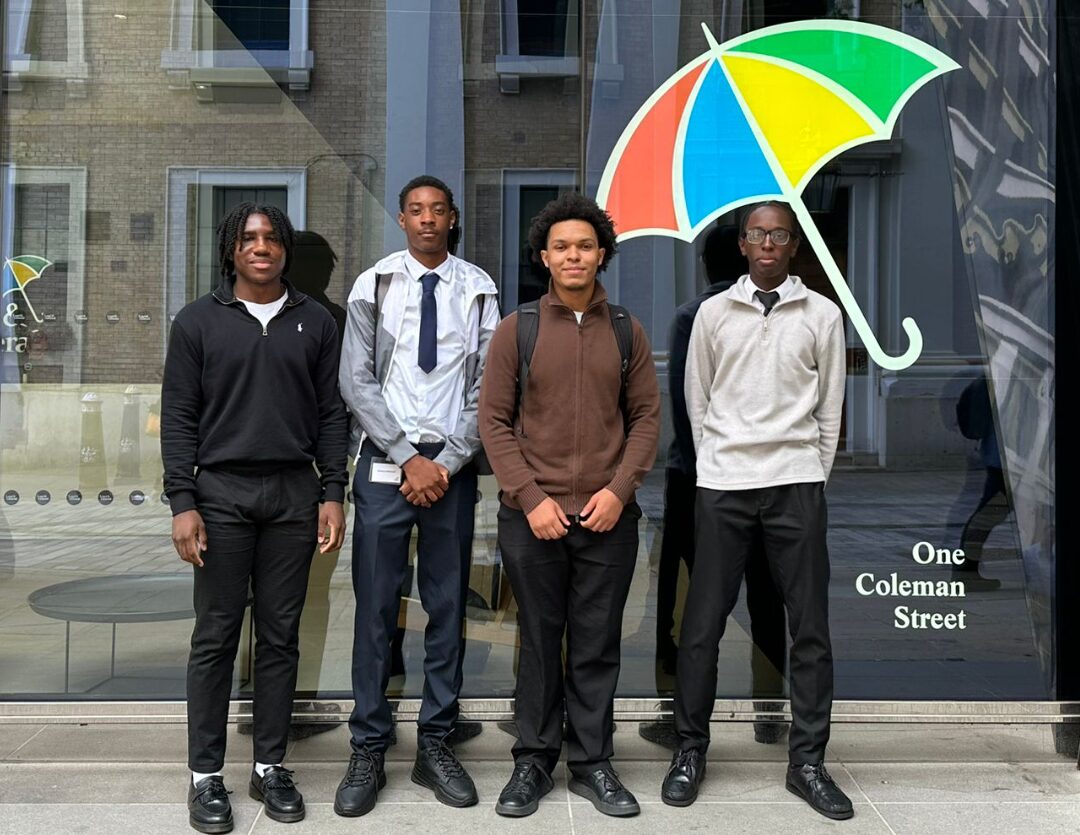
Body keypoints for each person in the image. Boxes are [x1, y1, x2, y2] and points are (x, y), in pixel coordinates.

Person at [661, 202, 851, 820]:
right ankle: (690, 751)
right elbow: (697, 401)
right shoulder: (713, 314)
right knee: (702, 627)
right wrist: (718, 468)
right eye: (757, 234)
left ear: (793, 245)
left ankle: (808, 763)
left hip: (796, 483)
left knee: (810, 628)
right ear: (742, 245)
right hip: (724, 487)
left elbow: (830, 409)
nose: (768, 243)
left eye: (780, 235)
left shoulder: (822, 314)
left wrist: (811, 473)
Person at [162, 202, 348, 834]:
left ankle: (270, 764)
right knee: (215, 636)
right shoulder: (196, 323)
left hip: (295, 496)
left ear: (285, 249)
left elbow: (332, 415)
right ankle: (205, 776)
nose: (261, 246)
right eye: (249, 237)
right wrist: (182, 502)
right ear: (231, 248)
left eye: (272, 237)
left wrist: (333, 492)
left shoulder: (318, 323)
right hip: (221, 496)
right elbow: (180, 417)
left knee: (280, 636)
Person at [479, 192, 660, 818]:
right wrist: (530, 499)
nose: (574, 255)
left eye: (584, 245)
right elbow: (494, 423)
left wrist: (618, 491)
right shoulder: (518, 328)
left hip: (609, 518)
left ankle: (592, 763)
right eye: (562, 247)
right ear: (544, 258)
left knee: (596, 642)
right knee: (536, 639)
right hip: (534, 520)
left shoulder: (626, 329)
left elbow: (645, 419)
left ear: (602, 254)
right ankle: (532, 761)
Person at [334, 175, 500, 817]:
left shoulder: (478, 287)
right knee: (376, 608)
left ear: (452, 219)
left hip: (451, 469)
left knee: (447, 606)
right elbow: (356, 378)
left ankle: (436, 742)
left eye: (438, 211)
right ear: (401, 220)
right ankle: (370, 744)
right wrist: (406, 456)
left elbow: (488, 383)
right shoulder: (374, 284)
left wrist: (449, 460)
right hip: (386, 464)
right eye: (416, 211)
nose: (427, 220)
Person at [647, 224, 788, 745]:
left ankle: (674, 712)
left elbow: (687, 406)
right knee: (768, 597)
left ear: (707, 264)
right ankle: (770, 711)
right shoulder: (773, 311)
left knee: (686, 599)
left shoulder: (695, 315)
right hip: (765, 476)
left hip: (699, 480)